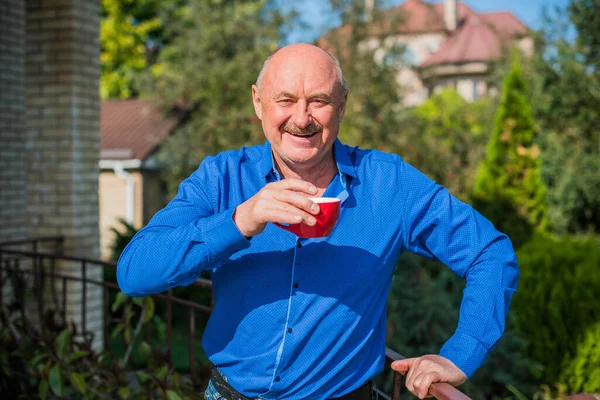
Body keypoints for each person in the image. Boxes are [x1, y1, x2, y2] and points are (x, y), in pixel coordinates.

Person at [117, 43, 519, 400]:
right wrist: (241, 220)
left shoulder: (389, 183)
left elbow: (489, 251)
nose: (302, 117)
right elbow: (135, 273)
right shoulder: (221, 177)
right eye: (286, 100)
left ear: (342, 105)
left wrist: (462, 352)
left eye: (319, 101)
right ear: (258, 103)